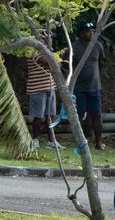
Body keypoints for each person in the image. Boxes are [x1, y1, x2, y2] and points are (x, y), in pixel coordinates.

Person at [70, 22, 107, 150]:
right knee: (79, 114)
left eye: (92, 31)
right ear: (81, 33)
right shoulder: (74, 48)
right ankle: (81, 141)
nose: (90, 33)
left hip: (94, 87)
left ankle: (98, 141)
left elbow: (101, 64)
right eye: (87, 31)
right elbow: (67, 66)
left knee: (96, 114)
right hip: (79, 87)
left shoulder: (97, 46)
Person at [27, 51, 61, 150]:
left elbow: (57, 64)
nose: (47, 36)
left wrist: (55, 61)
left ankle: (51, 141)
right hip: (37, 88)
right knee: (38, 116)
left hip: (50, 86)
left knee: (51, 115)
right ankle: (35, 139)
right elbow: (49, 63)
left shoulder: (47, 50)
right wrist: (55, 61)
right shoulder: (32, 49)